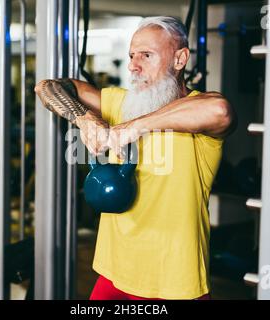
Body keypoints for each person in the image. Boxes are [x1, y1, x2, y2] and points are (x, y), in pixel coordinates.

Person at [35, 16, 235, 300]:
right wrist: (84, 118)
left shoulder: (198, 111)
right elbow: (47, 87)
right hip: (115, 272)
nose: (133, 65)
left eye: (146, 55)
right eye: (131, 55)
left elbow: (221, 112)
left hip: (174, 280)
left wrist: (133, 127)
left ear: (180, 59)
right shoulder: (120, 102)